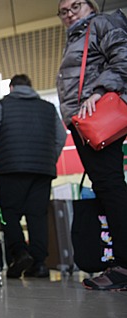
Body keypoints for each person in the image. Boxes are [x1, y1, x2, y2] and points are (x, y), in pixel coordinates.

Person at [56, 0, 127, 290]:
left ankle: (123, 265)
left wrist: (99, 91)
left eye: (76, 5)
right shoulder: (78, 35)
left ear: (91, 6)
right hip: (83, 122)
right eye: (63, 10)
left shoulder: (101, 23)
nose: (69, 12)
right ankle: (120, 263)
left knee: (110, 186)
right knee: (107, 185)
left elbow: (123, 57)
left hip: (96, 118)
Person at [0, 74, 67, 279]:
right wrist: (48, 159)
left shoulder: (3, 104)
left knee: (9, 213)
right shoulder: (48, 108)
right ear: (31, 87)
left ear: (11, 88)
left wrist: (0, 146)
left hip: (11, 167)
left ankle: (19, 253)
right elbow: (61, 137)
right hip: (42, 171)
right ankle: (39, 264)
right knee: (37, 216)